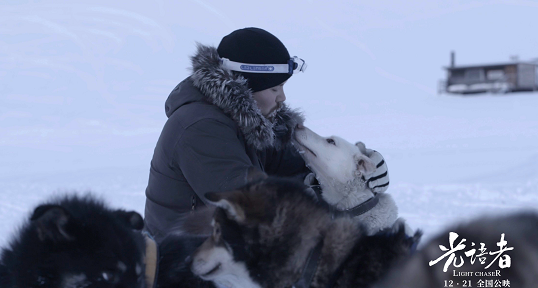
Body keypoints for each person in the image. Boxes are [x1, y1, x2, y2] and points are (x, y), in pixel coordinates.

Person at [144, 27, 388, 241]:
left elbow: (296, 171)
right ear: (243, 86)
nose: (282, 97)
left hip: (226, 252)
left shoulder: (248, 121)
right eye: (274, 88)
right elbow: (258, 206)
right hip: (183, 265)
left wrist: (353, 176)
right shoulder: (201, 127)